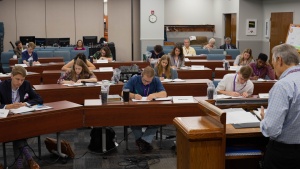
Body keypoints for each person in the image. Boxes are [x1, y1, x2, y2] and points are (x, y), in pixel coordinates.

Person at [260, 44, 300, 169]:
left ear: (280, 60)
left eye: (273, 62)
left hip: (285, 155)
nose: (272, 67)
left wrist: (264, 119)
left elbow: (271, 129)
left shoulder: (283, 86)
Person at [0, 66, 42, 169]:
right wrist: (6, 106)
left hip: (22, 117)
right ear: (11, 76)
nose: (20, 82)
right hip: (7, 119)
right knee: (17, 131)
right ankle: (29, 158)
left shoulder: (26, 85)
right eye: (17, 79)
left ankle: (19, 164)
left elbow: (39, 99)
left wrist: (26, 104)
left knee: (18, 130)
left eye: (22, 80)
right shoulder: (2, 86)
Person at [122, 66, 167, 153]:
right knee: (132, 119)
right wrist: (134, 96)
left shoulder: (156, 80)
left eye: (149, 82)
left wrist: (154, 95)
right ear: (142, 75)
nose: (146, 83)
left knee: (159, 119)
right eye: (145, 81)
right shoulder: (134, 79)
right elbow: (123, 92)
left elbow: (164, 93)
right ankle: (144, 142)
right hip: (136, 109)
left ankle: (142, 141)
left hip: (151, 110)